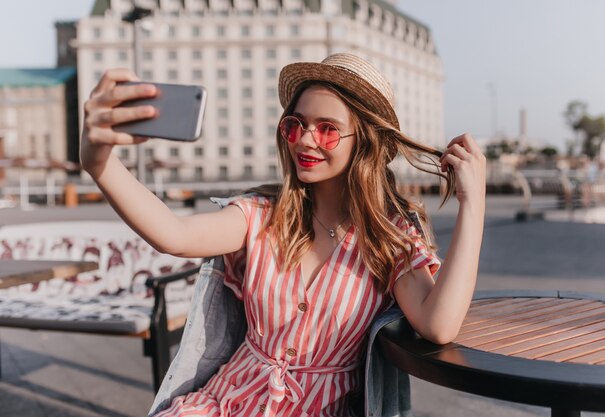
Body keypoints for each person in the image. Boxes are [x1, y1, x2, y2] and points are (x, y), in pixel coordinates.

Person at [81, 53, 486, 417]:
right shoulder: (262, 215)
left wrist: (474, 203)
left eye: (328, 129)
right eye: (297, 124)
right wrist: (97, 163)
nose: (306, 140)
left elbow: (439, 325)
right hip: (224, 403)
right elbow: (173, 234)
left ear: (363, 141)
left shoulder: (388, 237)